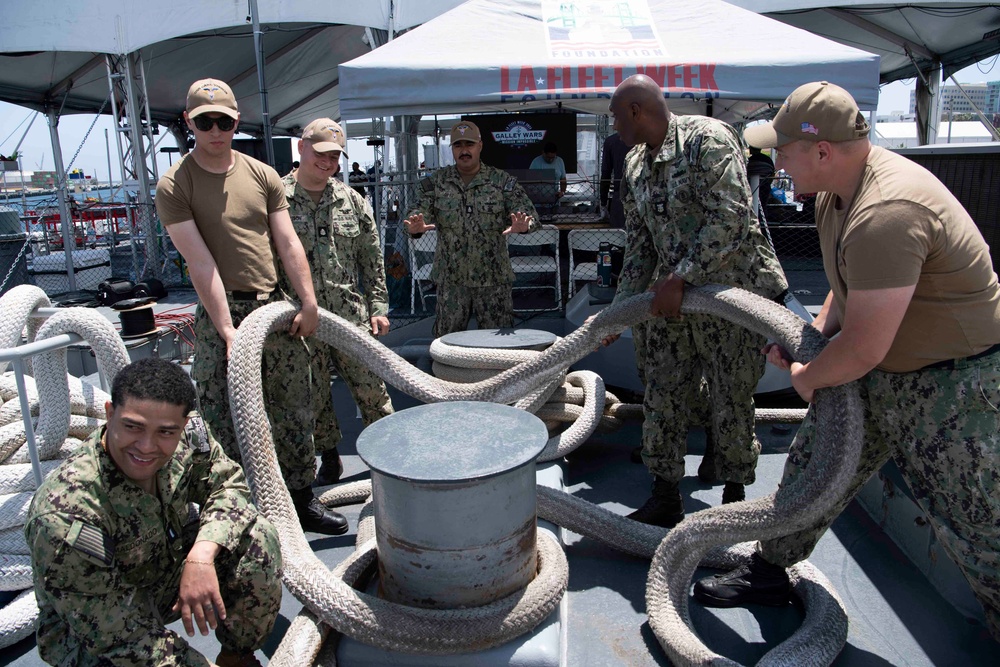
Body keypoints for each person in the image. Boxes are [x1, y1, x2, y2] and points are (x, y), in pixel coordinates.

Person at [693, 81, 1000, 640]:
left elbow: (863, 348)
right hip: (885, 372)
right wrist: (812, 336)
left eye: (781, 150)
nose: (775, 161)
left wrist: (809, 377)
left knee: (980, 525)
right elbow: (848, 286)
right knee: (813, 467)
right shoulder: (839, 192)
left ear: (822, 151)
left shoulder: (887, 209)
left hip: (953, 390)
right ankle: (769, 570)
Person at [155, 78, 347, 536]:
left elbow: (287, 242)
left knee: (293, 408)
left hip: (272, 310)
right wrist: (226, 332)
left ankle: (301, 501)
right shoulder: (175, 185)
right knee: (224, 415)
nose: (215, 130)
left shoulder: (261, 175)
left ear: (237, 121)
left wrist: (308, 302)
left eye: (224, 121)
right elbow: (201, 264)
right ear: (190, 123)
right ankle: (237, 512)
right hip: (220, 314)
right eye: (205, 122)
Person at [603, 74, 788, 527]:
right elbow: (641, 243)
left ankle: (735, 494)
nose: (614, 126)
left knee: (731, 393)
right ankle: (665, 493)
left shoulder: (707, 139)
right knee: (663, 390)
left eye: (615, 116)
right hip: (671, 301)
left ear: (635, 111)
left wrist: (682, 275)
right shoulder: (634, 165)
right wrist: (618, 311)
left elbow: (732, 216)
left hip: (730, 293)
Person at [24, 358, 282, 667]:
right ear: (110, 414)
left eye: (164, 432)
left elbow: (228, 485)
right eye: (132, 427)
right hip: (92, 628)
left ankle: (235, 656)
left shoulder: (188, 435)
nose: (146, 446)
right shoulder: (65, 513)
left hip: (161, 573)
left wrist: (201, 556)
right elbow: (119, 638)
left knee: (257, 537)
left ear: (183, 425)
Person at [282, 118, 394, 487]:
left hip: (349, 316)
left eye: (334, 157)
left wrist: (378, 307)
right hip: (299, 319)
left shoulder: (352, 200)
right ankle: (330, 459)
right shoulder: (276, 199)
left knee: (372, 390)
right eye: (321, 154)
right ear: (302, 149)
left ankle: (391, 459)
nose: (328, 163)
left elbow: (371, 258)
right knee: (312, 397)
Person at [404, 120, 540, 337]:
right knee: (447, 344)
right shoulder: (437, 183)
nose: (464, 150)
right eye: (458, 146)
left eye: (469, 144)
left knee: (497, 346)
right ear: (452, 149)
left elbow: (529, 214)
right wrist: (415, 227)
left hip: (493, 280)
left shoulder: (501, 181)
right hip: (451, 281)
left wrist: (524, 225)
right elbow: (417, 213)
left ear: (480, 145)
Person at [599, 132, 629, 228]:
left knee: (619, 238)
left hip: (620, 198)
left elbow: (606, 173)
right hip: (644, 195)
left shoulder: (611, 141)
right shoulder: (647, 138)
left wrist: (603, 204)